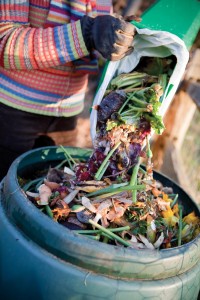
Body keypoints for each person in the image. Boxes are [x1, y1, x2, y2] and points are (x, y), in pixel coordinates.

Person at [0, 0, 135, 180]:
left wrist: (114, 36)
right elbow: (5, 42)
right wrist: (87, 33)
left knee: (49, 192)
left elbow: (99, 43)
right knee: (6, 189)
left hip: (68, 116)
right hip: (13, 113)